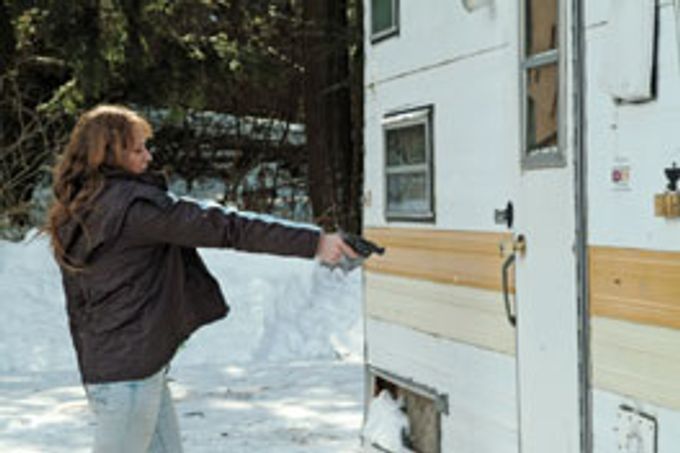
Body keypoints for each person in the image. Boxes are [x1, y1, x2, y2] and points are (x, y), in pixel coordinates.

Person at [45, 104, 358, 452]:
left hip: (122, 369)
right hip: (128, 380)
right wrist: (316, 243)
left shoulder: (84, 206)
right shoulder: (136, 210)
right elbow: (229, 228)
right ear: (109, 156)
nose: (148, 157)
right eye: (137, 150)